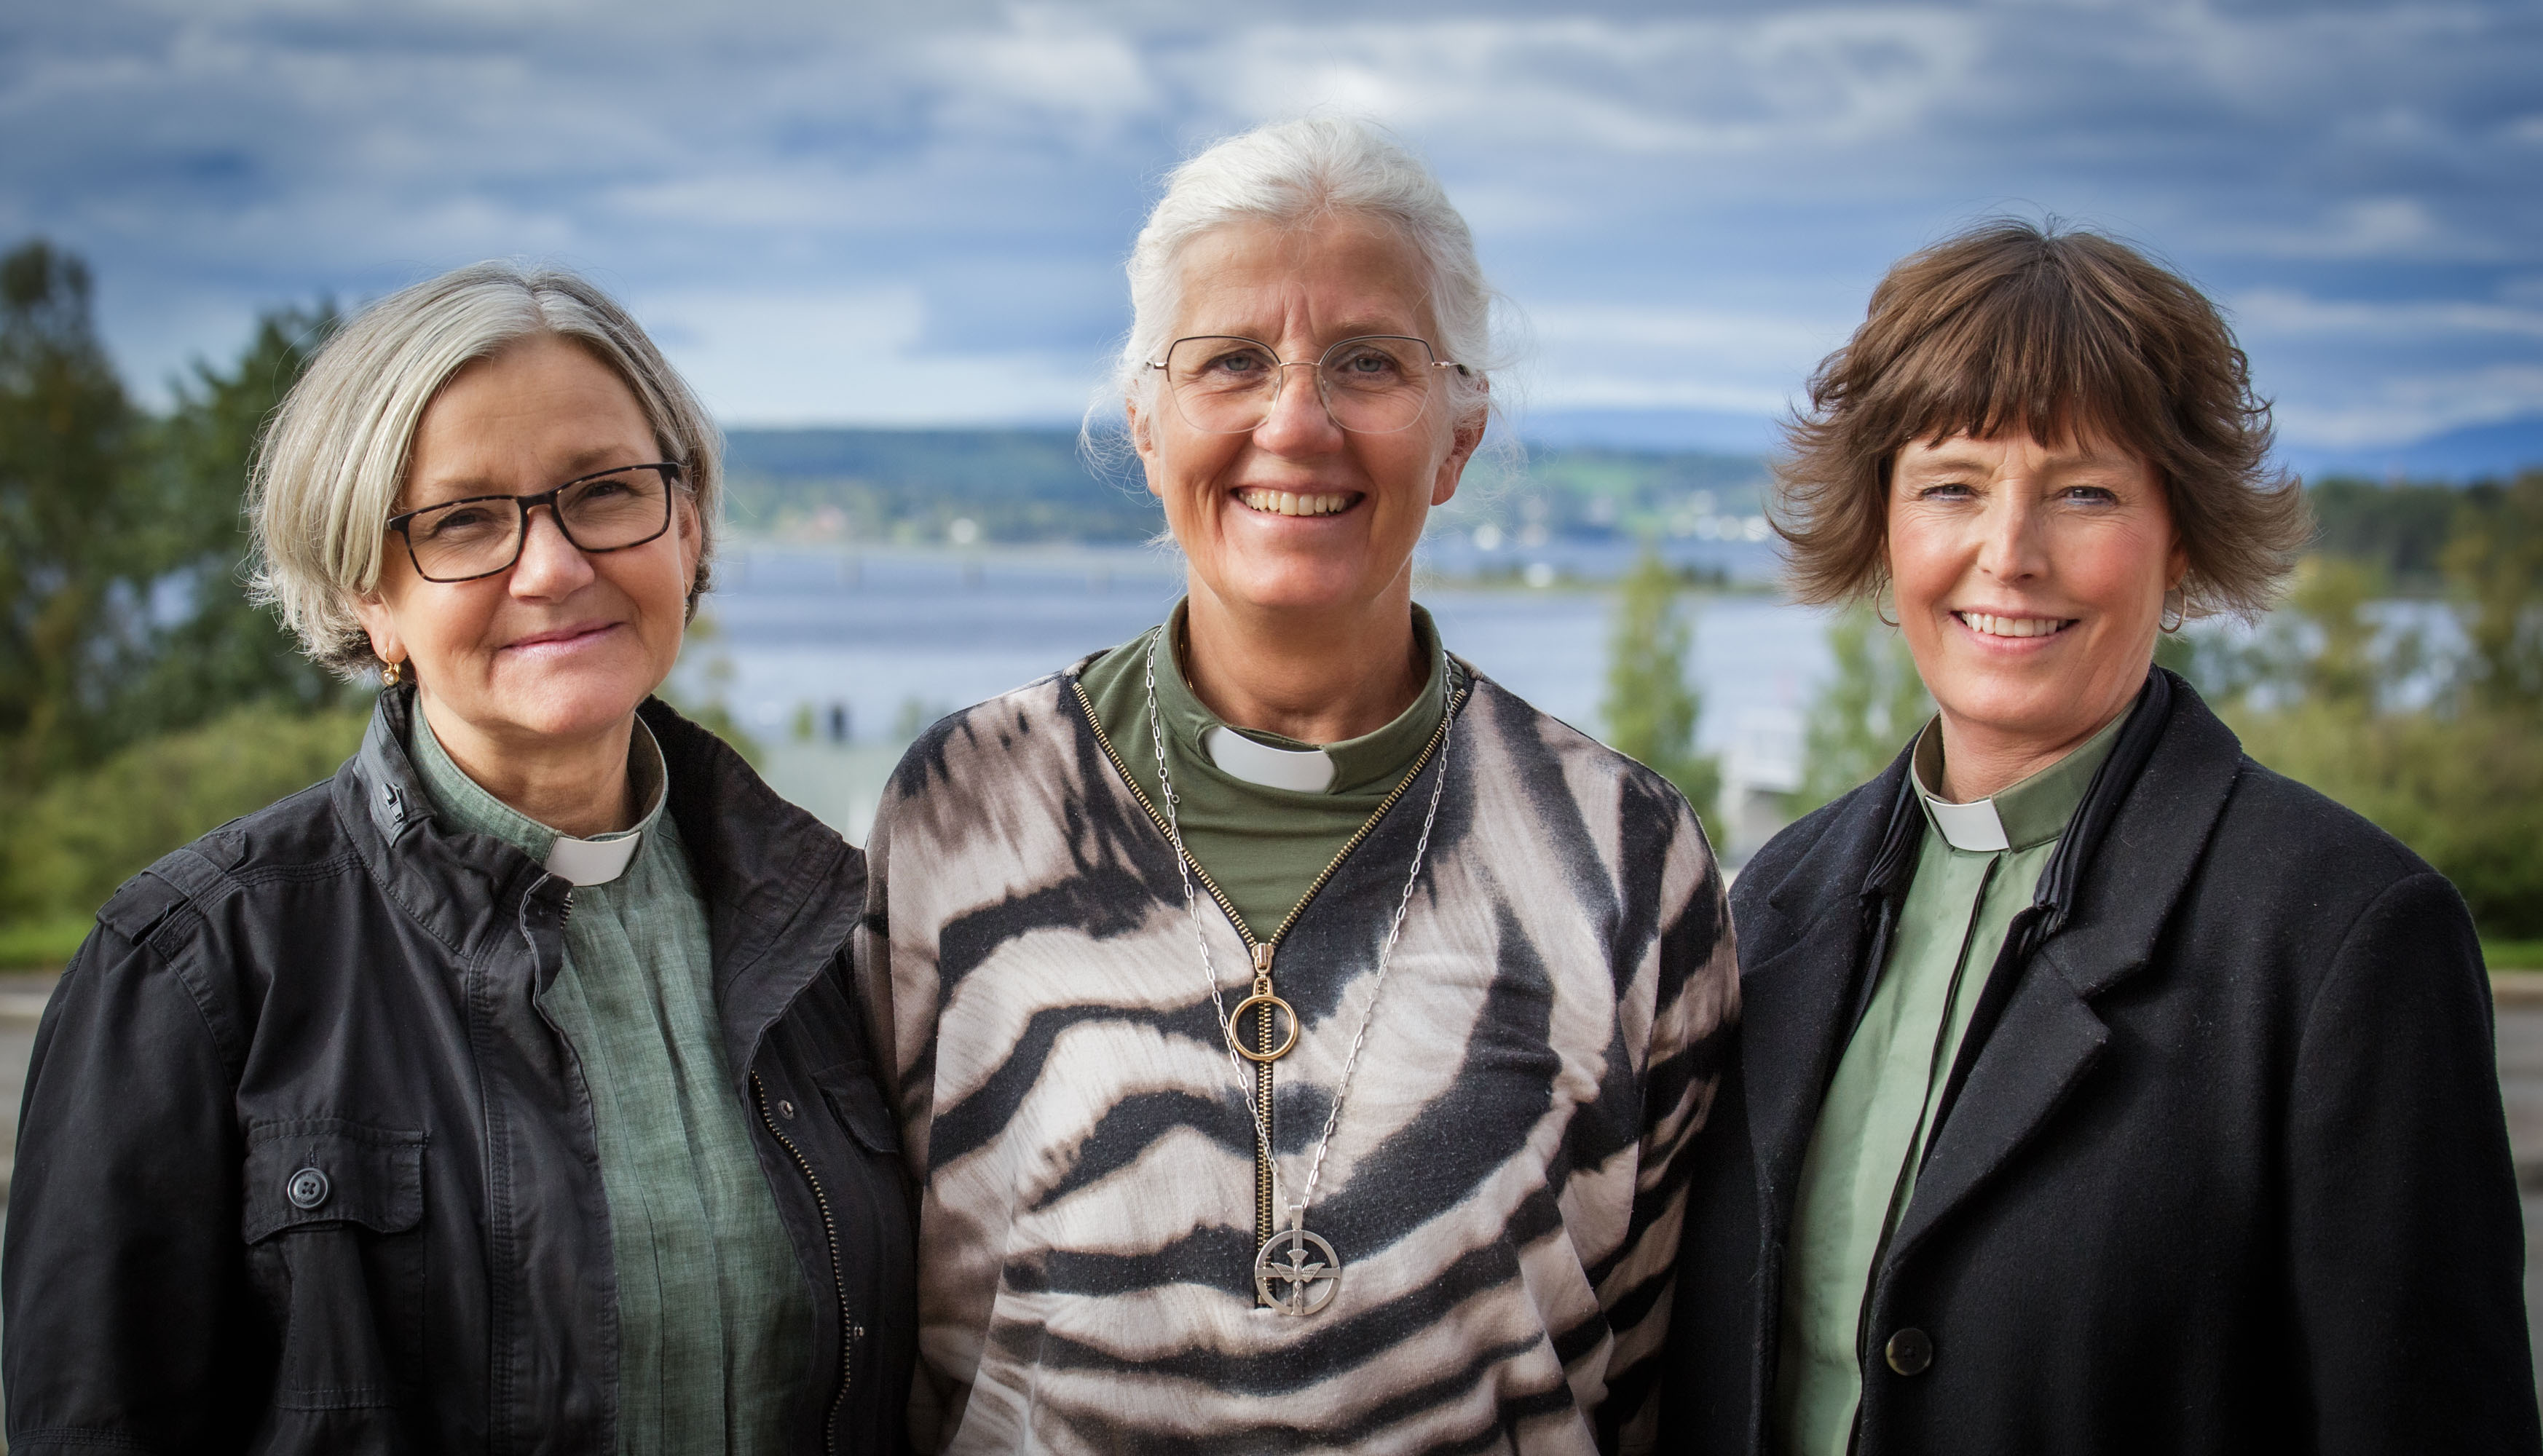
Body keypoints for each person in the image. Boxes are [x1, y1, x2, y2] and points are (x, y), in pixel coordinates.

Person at [856, 116, 1738, 1454]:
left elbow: (1650, 1371)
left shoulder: (1620, 855)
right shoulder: (967, 810)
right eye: (1231, 363)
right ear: (1148, 425)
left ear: (1458, 434)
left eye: (1369, 363)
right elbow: (896, 1321)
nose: (1297, 422)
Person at [1658, 220, 2542, 1454]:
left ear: (2181, 534)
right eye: (1952, 486)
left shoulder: (2346, 939)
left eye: (2084, 492)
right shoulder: (1773, 903)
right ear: (1884, 526)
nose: (2008, 557)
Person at [3, 262, 914, 1455]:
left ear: (685, 529)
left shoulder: (828, 933)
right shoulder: (192, 971)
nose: (551, 567)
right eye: (463, 521)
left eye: (603, 491)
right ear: (365, 595)